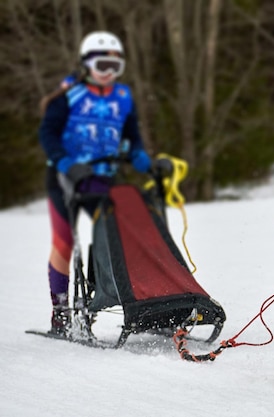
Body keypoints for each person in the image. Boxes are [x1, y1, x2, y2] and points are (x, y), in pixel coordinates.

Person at [38, 31, 152, 335]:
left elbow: (131, 134)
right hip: (66, 176)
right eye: (103, 65)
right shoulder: (69, 95)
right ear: (87, 64)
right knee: (65, 241)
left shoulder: (123, 97)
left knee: (117, 238)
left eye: (115, 67)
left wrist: (138, 154)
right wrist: (66, 163)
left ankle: (121, 298)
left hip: (104, 178)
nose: (109, 73)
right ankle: (60, 311)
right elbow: (47, 134)